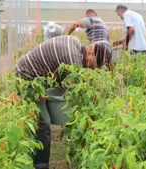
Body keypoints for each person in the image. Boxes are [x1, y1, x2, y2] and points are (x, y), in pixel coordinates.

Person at [14, 35, 111, 169]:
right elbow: (77, 93)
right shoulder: (73, 61)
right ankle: (40, 165)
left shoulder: (75, 42)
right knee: (43, 123)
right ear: (90, 53)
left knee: (42, 116)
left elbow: (62, 81)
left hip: (35, 77)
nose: (91, 69)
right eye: (94, 65)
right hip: (26, 78)